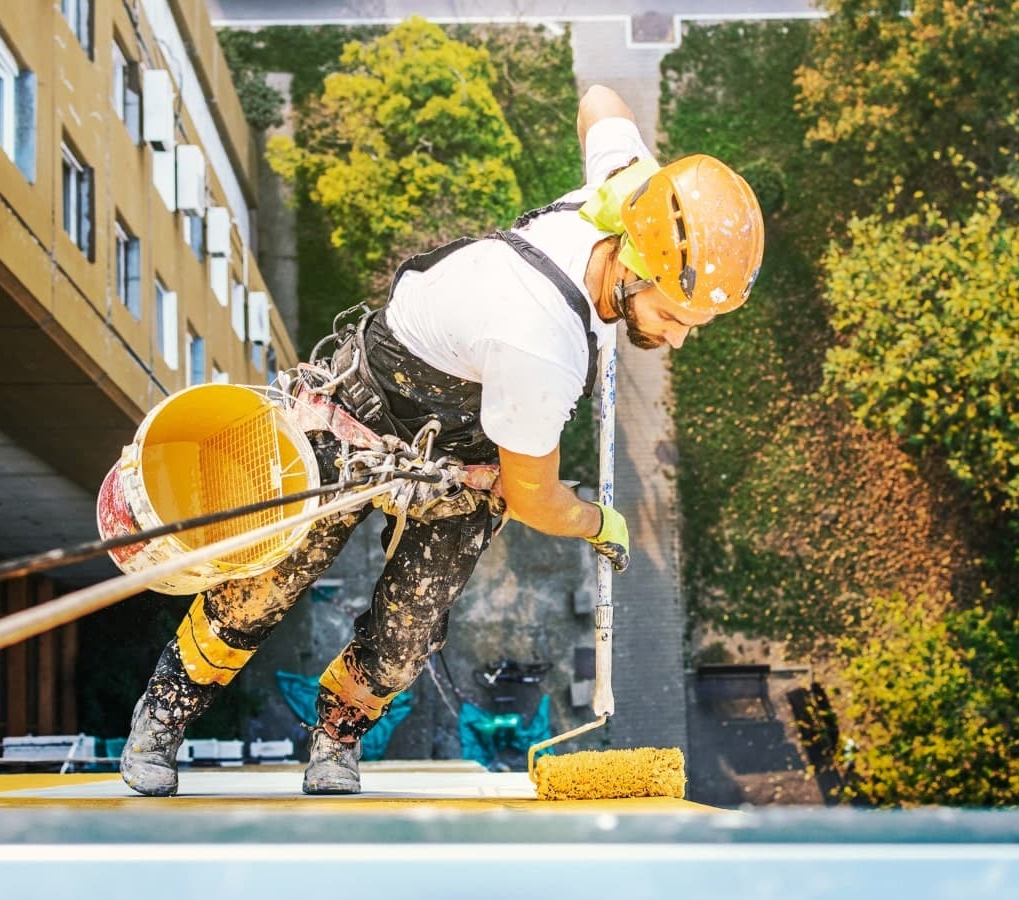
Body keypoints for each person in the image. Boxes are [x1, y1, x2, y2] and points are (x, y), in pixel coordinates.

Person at [119, 84, 764, 796]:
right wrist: (596, 521)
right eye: (672, 317)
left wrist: (632, 175)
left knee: (405, 639)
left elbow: (600, 98)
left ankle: (336, 732)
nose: (673, 338)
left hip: (464, 457)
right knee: (264, 585)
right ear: (633, 264)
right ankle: (164, 712)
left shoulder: (626, 200)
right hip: (360, 411)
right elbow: (533, 497)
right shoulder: (543, 345)